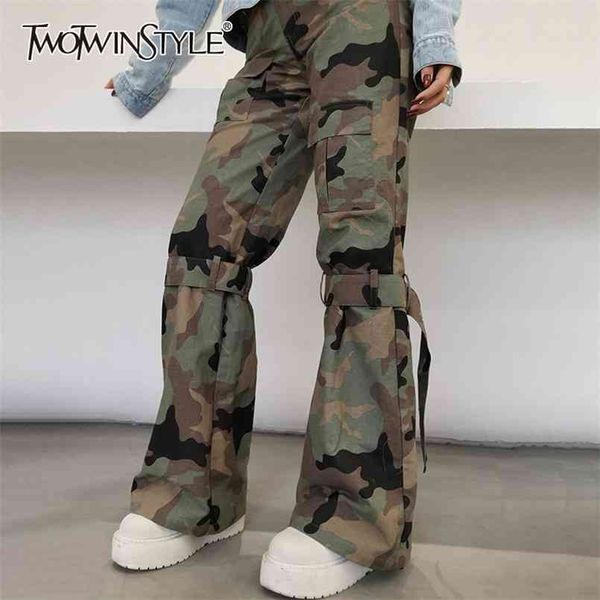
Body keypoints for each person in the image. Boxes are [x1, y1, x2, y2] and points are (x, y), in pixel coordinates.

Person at [108, 1, 462, 597]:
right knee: (202, 253)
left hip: (361, 19)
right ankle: (194, 494)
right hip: (267, 33)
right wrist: (148, 73)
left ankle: (353, 518)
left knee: (360, 259)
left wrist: (433, 39)